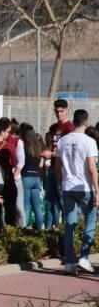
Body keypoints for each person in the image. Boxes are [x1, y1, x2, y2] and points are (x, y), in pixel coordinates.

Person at [54, 109, 98, 274]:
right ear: (86, 122)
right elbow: (93, 169)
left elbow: (57, 168)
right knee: (90, 221)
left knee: (69, 224)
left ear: (74, 121)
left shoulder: (62, 141)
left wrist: (60, 185)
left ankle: (70, 262)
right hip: (84, 186)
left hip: (68, 186)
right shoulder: (89, 142)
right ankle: (84, 257)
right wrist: (97, 191)